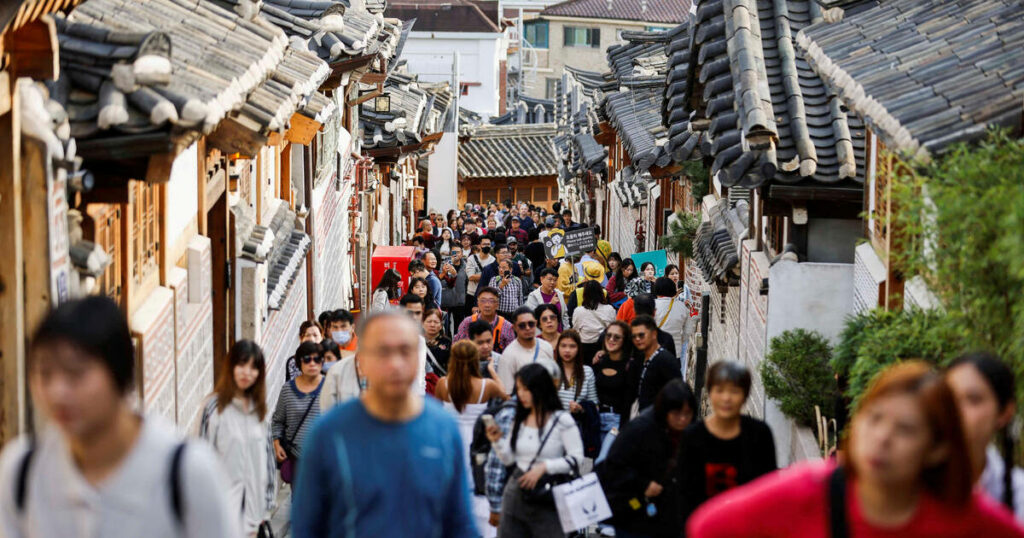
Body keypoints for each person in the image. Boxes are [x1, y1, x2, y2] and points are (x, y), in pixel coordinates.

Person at [687, 361, 1024, 538]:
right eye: (874, 418)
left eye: (905, 429)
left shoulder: (967, 521)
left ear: (937, 448)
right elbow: (707, 526)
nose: (882, 437)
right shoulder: (806, 492)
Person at [0, 296, 238, 537]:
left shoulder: (187, 475)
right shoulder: (22, 473)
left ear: (120, 373)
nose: (57, 392)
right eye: (45, 373)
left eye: (75, 373)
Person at [291, 311, 478, 537]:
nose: (395, 363)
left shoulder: (443, 429)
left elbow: (459, 524)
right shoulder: (328, 435)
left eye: (405, 351)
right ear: (361, 360)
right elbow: (307, 527)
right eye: (383, 352)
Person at [486, 363, 584, 536]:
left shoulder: (562, 420)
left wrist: (545, 467)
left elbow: (577, 458)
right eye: (518, 389)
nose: (521, 394)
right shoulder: (520, 418)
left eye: (526, 389)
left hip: (549, 493)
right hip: (517, 490)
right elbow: (509, 459)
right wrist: (497, 441)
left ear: (540, 389)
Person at [678, 361, 775, 526]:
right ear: (709, 392)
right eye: (719, 390)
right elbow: (683, 496)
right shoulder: (692, 437)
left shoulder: (759, 434)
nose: (726, 398)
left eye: (734, 391)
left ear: (745, 395)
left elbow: (769, 491)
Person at [600, 380, 697, 537]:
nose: (683, 419)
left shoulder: (689, 433)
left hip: (667, 515)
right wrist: (643, 484)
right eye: (677, 414)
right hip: (632, 510)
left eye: (687, 413)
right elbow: (613, 467)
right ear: (665, 411)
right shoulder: (640, 429)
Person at [199, 340, 276, 536]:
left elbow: (267, 461)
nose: (246, 373)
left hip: (253, 517)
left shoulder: (259, 411)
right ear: (231, 367)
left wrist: (264, 510)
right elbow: (199, 457)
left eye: (253, 367)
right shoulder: (213, 408)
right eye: (241, 365)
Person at [436, 341, 509, 536]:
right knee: (479, 486)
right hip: (478, 441)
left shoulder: (443, 384)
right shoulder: (486, 385)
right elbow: (507, 398)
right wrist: (492, 370)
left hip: (451, 441)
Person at [946, 352, 1024, 520]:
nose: (956, 411)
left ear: (1005, 413)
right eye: (949, 398)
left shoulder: (1019, 495)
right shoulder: (906, 483)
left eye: (973, 400)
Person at [272, 341, 326, 486]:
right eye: (307, 359)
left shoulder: (330, 386)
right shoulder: (287, 390)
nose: (312, 363)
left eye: (317, 359)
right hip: (297, 458)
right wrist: (277, 444)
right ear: (299, 363)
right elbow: (277, 420)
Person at [627, 316, 682, 418]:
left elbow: (677, 394)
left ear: (654, 334)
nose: (637, 339)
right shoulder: (639, 358)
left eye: (641, 335)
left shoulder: (666, 360)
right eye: (634, 336)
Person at [497, 307, 555, 391]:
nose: (527, 328)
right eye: (522, 325)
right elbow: (507, 392)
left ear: (536, 323)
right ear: (515, 328)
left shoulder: (546, 347)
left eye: (531, 324)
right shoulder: (508, 356)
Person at [593, 321, 634, 439]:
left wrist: (622, 429)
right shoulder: (600, 361)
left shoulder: (630, 366)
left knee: (604, 457)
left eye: (617, 337)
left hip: (617, 421)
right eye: (608, 335)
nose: (611, 339)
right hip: (598, 419)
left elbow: (629, 401)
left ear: (625, 340)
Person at [454, 287, 515, 353]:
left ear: (497, 304)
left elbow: (511, 354)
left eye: (491, 301)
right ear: (478, 303)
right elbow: (456, 348)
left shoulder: (507, 326)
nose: (487, 305)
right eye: (483, 301)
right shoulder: (467, 322)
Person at [572, 280, 617, 364]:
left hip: (584, 347)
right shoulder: (609, 309)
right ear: (601, 292)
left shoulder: (578, 311)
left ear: (585, 294)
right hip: (603, 346)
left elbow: (576, 330)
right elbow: (612, 328)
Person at [554, 329, 598, 414]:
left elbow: (595, 405)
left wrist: (581, 408)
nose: (567, 350)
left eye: (572, 346)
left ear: (579, 348)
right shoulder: (550, 371)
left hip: (577, 424)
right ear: (558, 347)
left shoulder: (587, 372)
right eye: (563, 346)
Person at [653, 277, 691, 371]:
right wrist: (679, 341)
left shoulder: (651, 305)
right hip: (675, 352)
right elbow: (688, 332)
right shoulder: (683, 307)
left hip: (654, 352)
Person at [468, 320, 506, 391]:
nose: (485, 346)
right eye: (480, 343)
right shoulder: (463, 363)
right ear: (471, 343)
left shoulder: (502, 361)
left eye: (488, 341)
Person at [423, 308, 452, 374]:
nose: (432, 325)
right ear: (423, 324)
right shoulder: (418, 342)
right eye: (429, 321)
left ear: (441, 325)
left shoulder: (447, 342)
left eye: (436, 322)